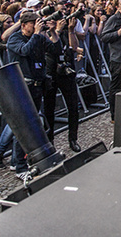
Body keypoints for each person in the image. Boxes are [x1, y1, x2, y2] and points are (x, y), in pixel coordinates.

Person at [7, 10, 61, 179]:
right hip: (22, 86)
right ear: (24, 25)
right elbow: (24, 51)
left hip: (38, 85)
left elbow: (55, 50)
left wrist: (52, 31)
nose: (37, 26)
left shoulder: (38, 37)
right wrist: (37, 34)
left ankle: (21, 161)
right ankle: (19, 167)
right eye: (33, 24)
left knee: (32, 124)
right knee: (24, 127)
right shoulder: (15, 38)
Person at [43, 15, 83, 152]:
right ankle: (50, 141)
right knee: (49, 108)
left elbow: (74, 47)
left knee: (73, 107)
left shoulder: (67, 31)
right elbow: (49, 47)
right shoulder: (44, 31)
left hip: (67, 70)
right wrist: (56, 30)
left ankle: (73, 139)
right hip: (51, 71)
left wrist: (71, 30)